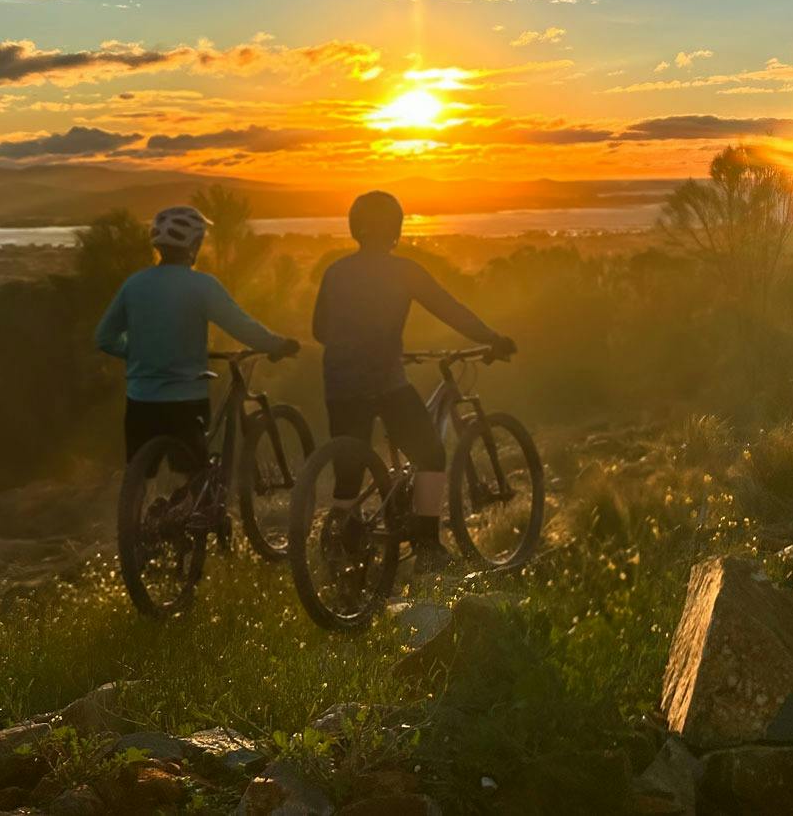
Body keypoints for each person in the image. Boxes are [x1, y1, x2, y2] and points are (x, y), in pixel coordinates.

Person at [312, 190, 514, 571]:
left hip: (338, 381)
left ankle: (341, 545)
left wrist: (352, 341)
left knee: (349, 472)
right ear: (396, 229)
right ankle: (427, 545)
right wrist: (492, 339)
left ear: (355, 227)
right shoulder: (404, 270)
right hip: (385, 381)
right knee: (431, 454)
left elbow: (320, 330)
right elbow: (449, 309)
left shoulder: (335, 271)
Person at [95, 205, 302, 468]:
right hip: (186, 398)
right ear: (195, 244)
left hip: (141, 398)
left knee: (140, 474)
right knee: (194, 474)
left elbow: (105, 337)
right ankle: (198, 503)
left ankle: (140, 509)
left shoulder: (134, 283)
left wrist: (139, 351)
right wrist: (278, 344)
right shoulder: (202, 285)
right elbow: (241, 326)